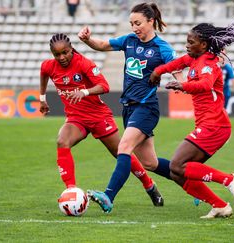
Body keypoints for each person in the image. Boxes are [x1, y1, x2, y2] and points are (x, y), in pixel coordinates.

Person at [78, 2, 183, 213]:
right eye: (132, 23)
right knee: (150, 163)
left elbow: (177, 69)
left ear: (151, 21)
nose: (135, 27)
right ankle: (193, 182)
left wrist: (182, 83)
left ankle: (108, 196)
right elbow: (102, 45)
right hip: (128, 108)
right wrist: (87, 39)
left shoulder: (162, 47)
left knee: (123, 147)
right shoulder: (129, 40)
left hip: (147, 108)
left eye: (138, 23)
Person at [39, 33, 164, 208]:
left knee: (121, 153)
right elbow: (44, 73)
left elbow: (104, 86)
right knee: (62, 141)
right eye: (57, 54)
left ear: (71, 49)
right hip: (76, 119)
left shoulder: (84, 63)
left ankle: (148, 184)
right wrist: (42, 97)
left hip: (98, 116)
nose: (62, 57)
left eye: (65, 53)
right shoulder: (49, 66)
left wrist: (84, 92)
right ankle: (71, 190)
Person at [149, 20, 234, 218]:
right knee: (178, 173)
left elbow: (205, 84)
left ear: (203, 44)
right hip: (209, 126)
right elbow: (176, 63)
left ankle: (230, 179)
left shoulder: (208, 63)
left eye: (191, 42)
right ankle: (219, 205)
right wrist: (158, 71)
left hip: (215, 126)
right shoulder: (193, 58)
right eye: (187, 41)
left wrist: (182, 86)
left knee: (176, 164)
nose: (187, 45)